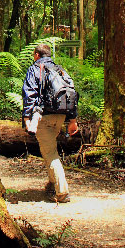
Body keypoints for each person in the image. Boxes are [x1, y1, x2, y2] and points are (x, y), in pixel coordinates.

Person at [22, 43, 79, 203]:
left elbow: (29, 94)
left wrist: (27, 117)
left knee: (50, 153)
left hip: (42, 117)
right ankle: (52, 184)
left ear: (37, 55)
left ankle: (62, 192)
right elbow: (71, 94)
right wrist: (72, 120)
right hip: (59, 117)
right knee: (49, 150)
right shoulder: (60, 69)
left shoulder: (35, 69)